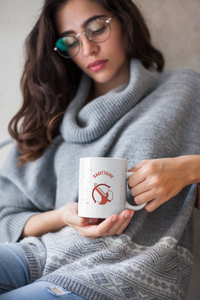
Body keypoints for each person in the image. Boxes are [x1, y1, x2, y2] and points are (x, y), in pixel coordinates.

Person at [0, 0, 200, 299]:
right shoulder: (51, 118)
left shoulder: (183, 90)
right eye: (71, 41)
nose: (88, 49)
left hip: (125, 272)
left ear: (123, 21)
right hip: (36, 255)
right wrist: (63, 216)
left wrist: (191, 169)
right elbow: (6, 217)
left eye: (96, 29)